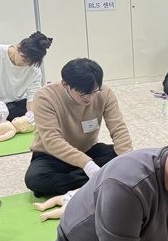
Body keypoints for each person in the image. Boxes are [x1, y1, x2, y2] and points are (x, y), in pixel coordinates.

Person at [24, 58, 133, 198]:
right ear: (65, 84)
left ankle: (86, 179)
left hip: (88, 150)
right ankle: (100, 178)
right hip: (51, 155)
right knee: (35, 179)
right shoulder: (45, 96)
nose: (90, 99)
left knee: (121, 157)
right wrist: (87, 165)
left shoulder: (104, 93)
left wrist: (129, 162)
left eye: (94, 92)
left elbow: (118, 129)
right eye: (84, 94)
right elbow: (52, 141)